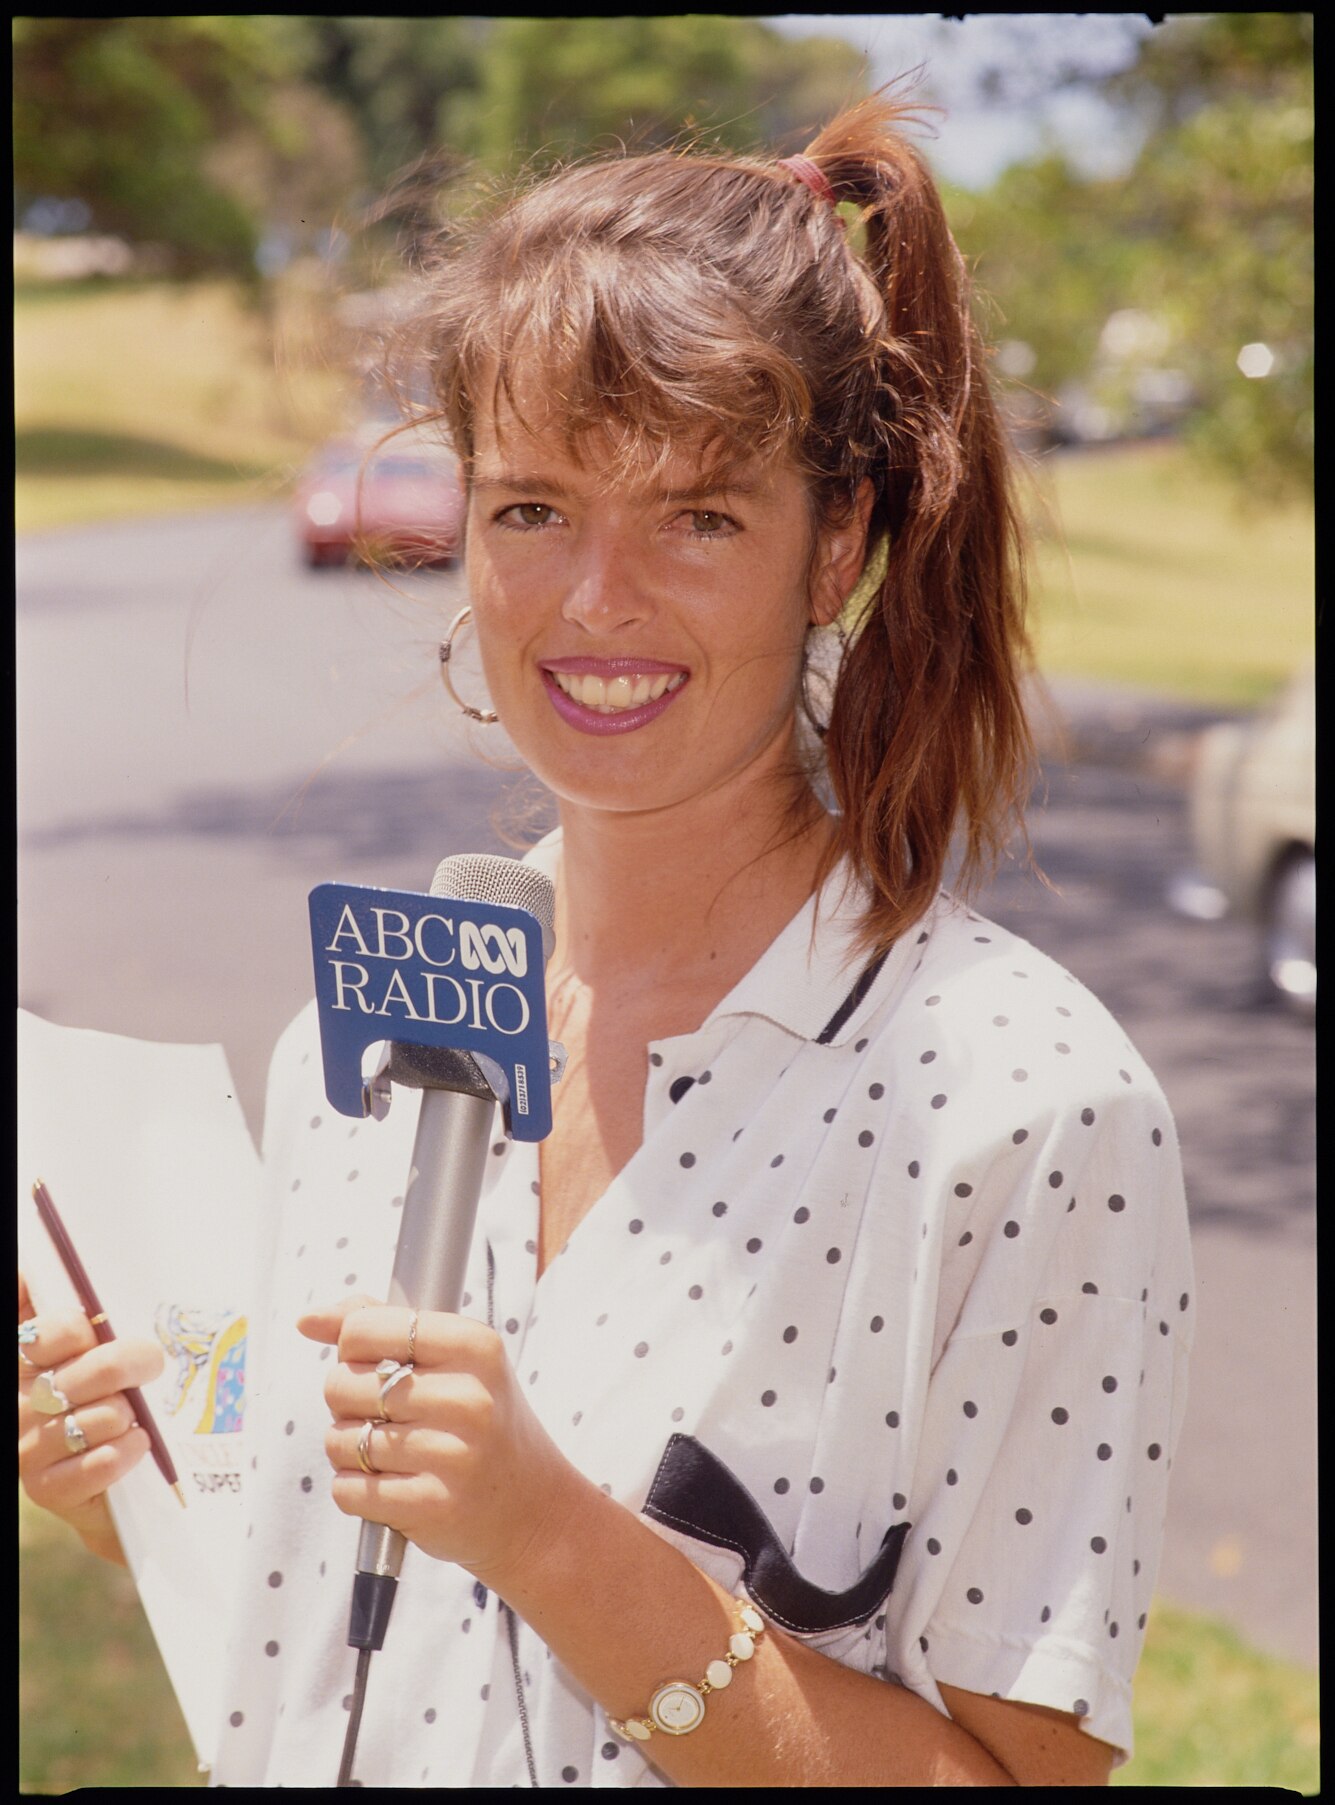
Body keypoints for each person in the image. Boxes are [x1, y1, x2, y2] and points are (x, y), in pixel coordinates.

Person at [18, 91, 1193, 1787]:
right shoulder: (365, 1043)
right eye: (533, 509)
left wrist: (552, 1536)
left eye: (699, 515)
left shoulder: (1029, 1109)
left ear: (836, 544)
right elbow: (332, 1654)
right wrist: (141, 1497)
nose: (596, 600)